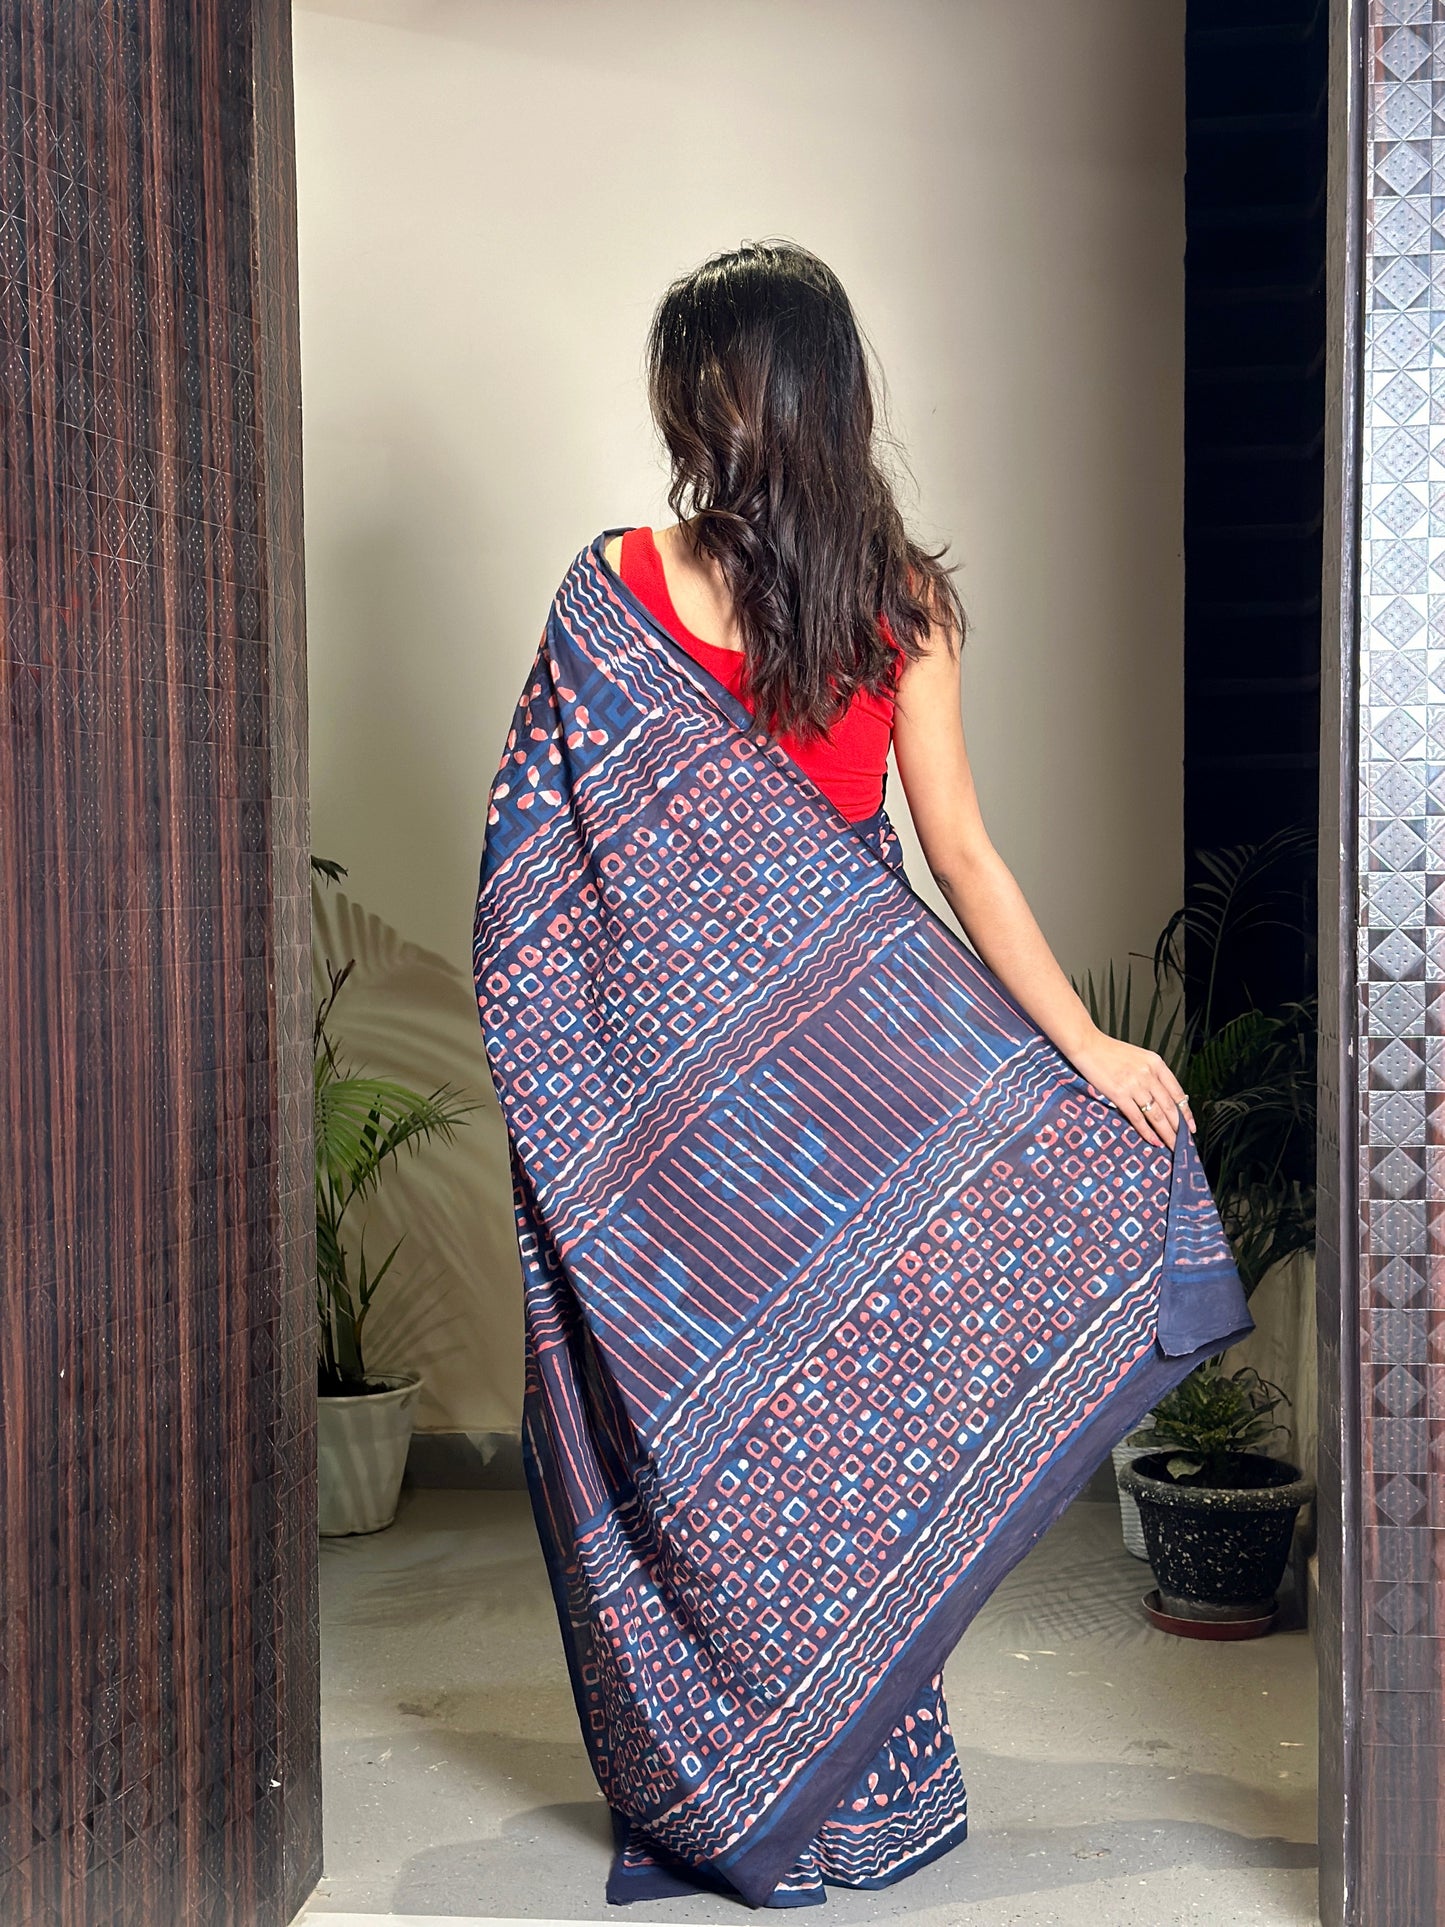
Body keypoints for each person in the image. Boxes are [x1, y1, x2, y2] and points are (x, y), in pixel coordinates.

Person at [472, 240, 1252, 1909]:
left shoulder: (834, 600)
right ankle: (791, 1785)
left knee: (796, 1436)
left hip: (821, 1087)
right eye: (686, 386)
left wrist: (1085, 1053)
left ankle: (804, 1780)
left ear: (772, 398)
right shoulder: (637, 592)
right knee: (749, 1434)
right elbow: (552, 874)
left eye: (712, 382)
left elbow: (951, 857)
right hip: (695, 1100)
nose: (697, 414)